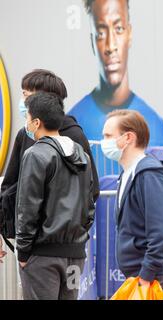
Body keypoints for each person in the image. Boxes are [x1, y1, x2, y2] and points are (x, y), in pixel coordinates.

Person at [0, 69, 99, 253]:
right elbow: (10, 185)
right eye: (23, 94)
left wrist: (72, 232)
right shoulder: (25, 134)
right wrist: (6, 229)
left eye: (27, 95)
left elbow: (90, 191)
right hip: (26, 244)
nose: (23, 102)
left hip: (63, 245)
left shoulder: (74, 135)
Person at [16, 92, 96, 300]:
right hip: (75, 254)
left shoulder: (36, 153)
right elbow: (89, 204)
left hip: (43, 256)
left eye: (27, 117)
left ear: (36, 122)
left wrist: (23, 252)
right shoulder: (82, 155)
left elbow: (28, 207)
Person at [101, 109, 163, 300]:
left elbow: (161, 232)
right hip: (142, 277)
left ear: (128, 137)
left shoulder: (149, 175)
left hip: (157, 279)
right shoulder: (129, 174)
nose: (104, 142)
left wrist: (146, 275)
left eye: (108, 136)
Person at [69, 0, 163, 150]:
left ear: (129, 34)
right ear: (92, 42)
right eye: (101, 33)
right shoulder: (74, 122)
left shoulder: (156, 126)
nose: (111, 46)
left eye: (118, 28)